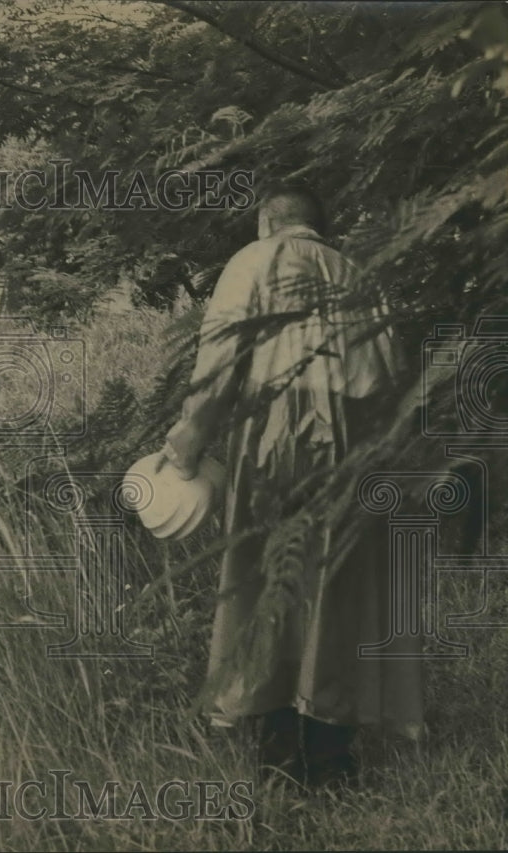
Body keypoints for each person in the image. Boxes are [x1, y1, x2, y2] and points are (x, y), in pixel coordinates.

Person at [160, 186, 422, 788]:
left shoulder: (254, 261)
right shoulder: (361, 274)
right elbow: (393, 375)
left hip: (278, 435)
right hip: (356, 448)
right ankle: (330, 751)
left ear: (267, 223)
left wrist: (193, 435)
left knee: (268, 577)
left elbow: (223, 354)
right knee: (338, 585)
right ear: (318, 227)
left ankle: (277, 750)